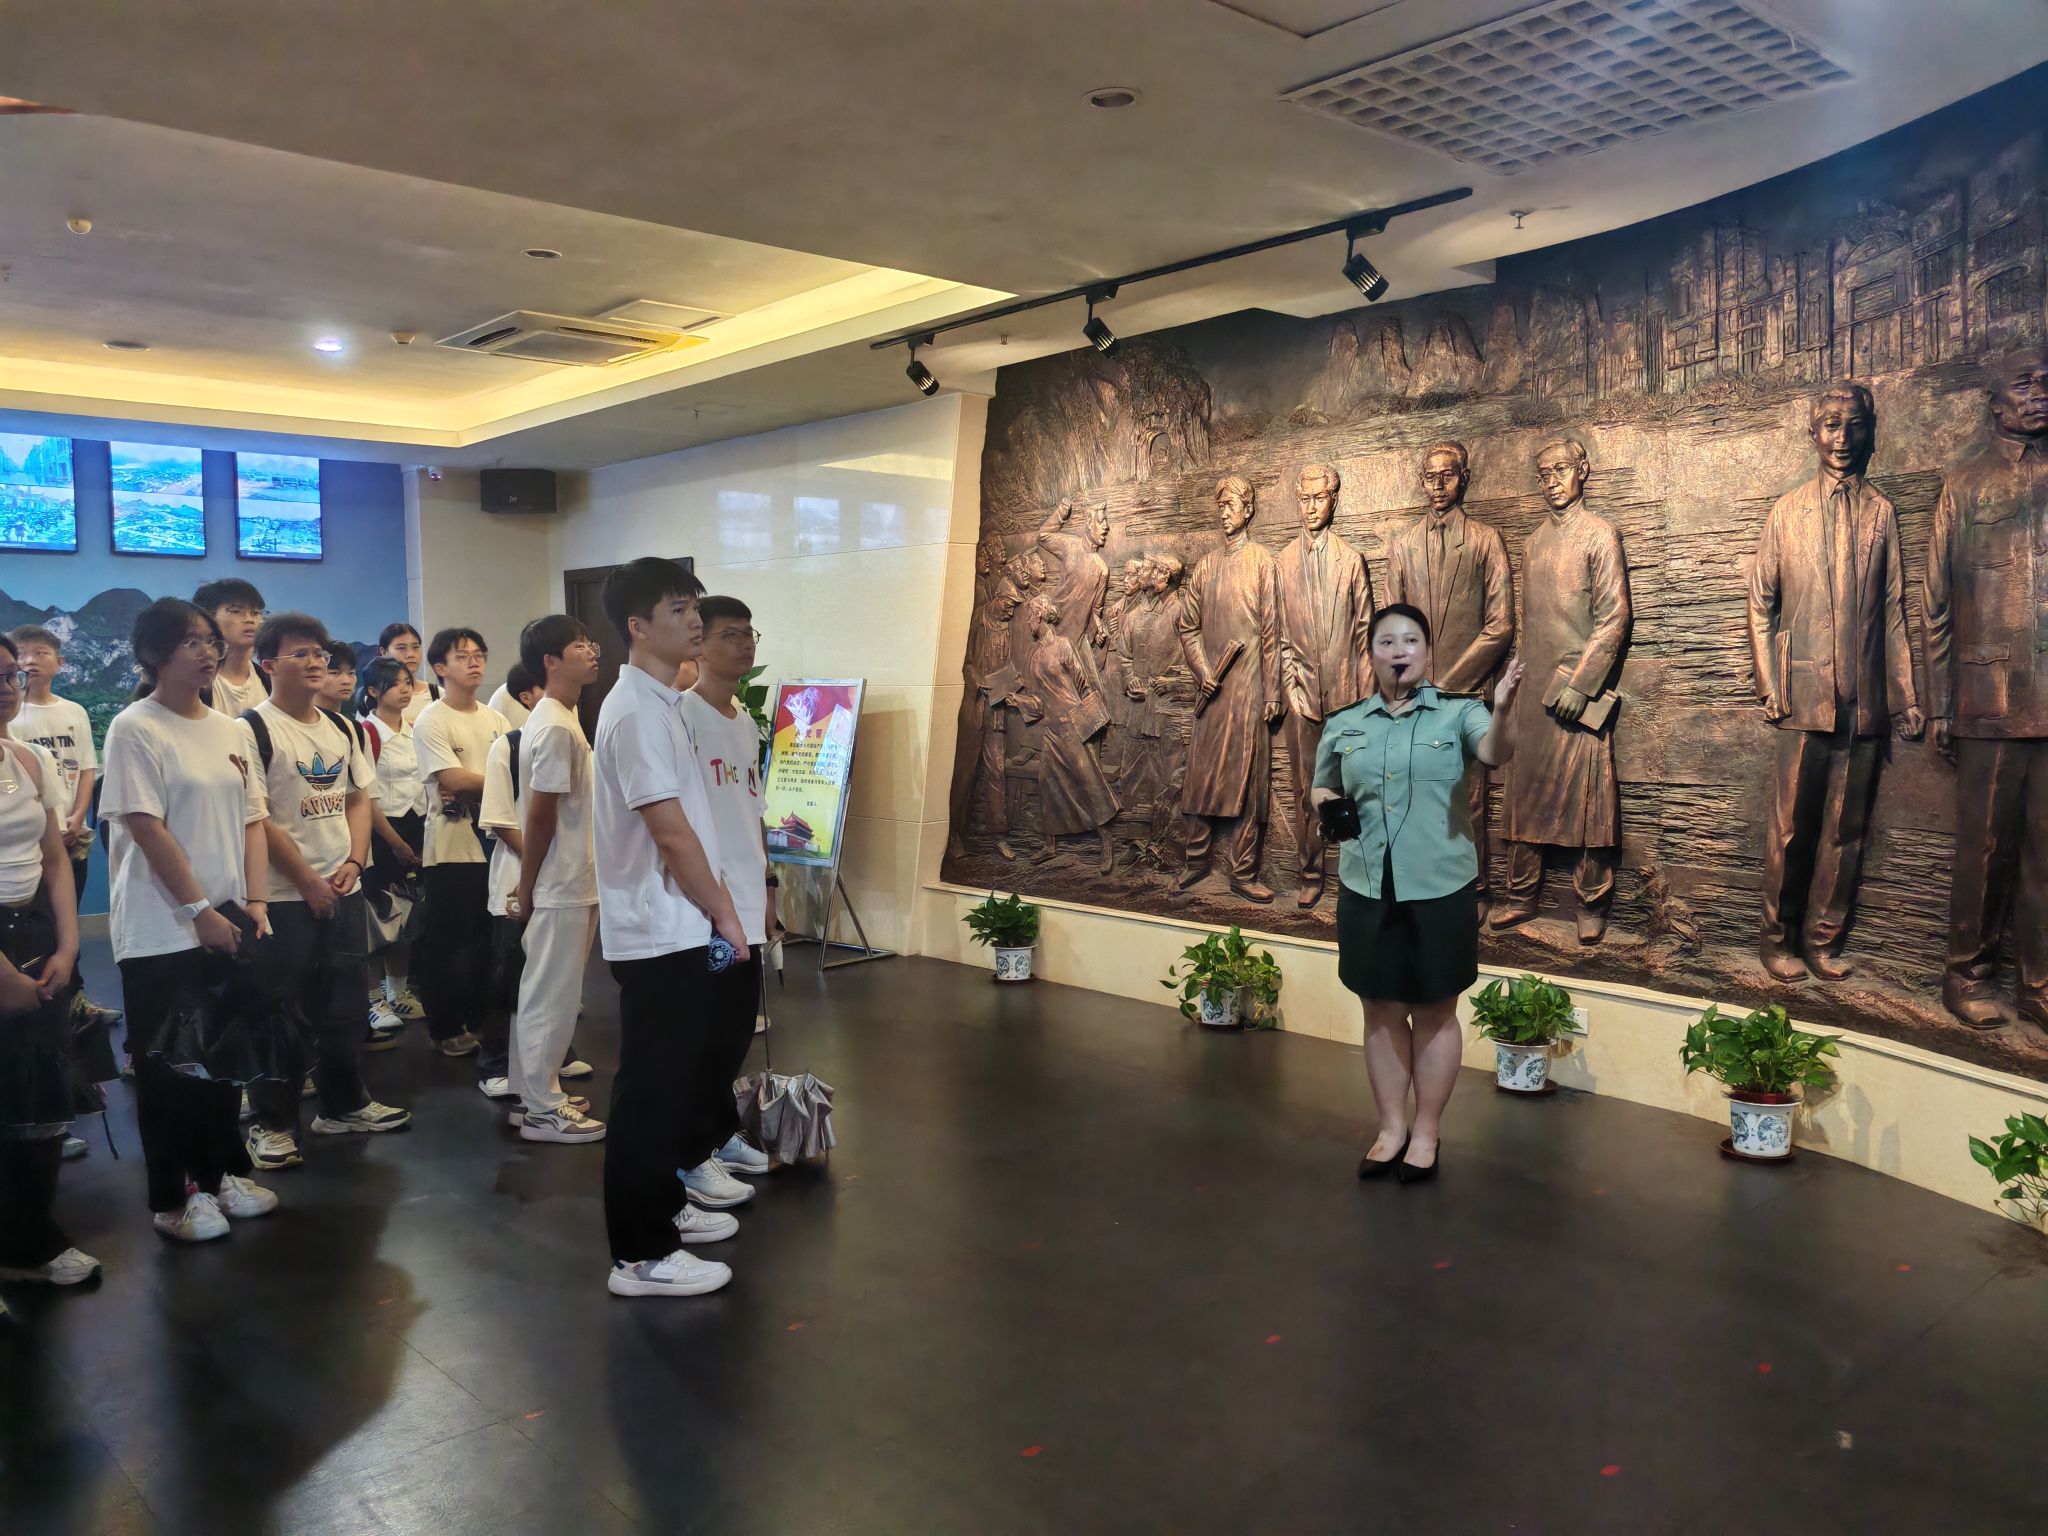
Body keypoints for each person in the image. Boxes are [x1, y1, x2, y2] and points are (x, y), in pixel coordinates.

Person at [1310, 605, 1523, 1184]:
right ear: (1371, 654)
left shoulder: (1461, 712)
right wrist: (1327, 806)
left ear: (1427, 652)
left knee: (1434, 1009)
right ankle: (1390, 1129)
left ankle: (1426, 1131)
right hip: (1366, 884)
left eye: (1410, 641)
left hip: (1439, 887)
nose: (1398, 650)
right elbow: (1321, 784)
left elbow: (1496, 753)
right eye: (1386, 642)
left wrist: (1503, 709)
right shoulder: (1345, 722)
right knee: (1379, 1010)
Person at [592, 558, 753, 1297]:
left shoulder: (662, 702)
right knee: (651, 1091)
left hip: (680, 925)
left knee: (677, 1078)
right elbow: (670, 830)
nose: (695, 621)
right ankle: (641, 1255)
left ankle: (666, 1208)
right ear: (638, 626)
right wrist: (725, 912)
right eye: (680, 609)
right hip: (659, 929)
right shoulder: (634, 710)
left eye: (695, 607)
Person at [98, 598, 279, 1242]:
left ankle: (221, 1172)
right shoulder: (134, 727)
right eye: (191, 642)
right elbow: (146, 827)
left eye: (211, 641)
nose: (208, 652)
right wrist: (197, 910)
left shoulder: (231, 729)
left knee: (221, 1058)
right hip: (161, 926)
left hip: (229, 919)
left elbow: (254, 819)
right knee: (167, 1068)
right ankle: (174, 1199)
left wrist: (255, 902)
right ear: (153, 655)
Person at [1747, 383, 1921, 983]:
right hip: (1802, 696)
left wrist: (1904, 696)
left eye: (1853, 425)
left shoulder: (1881, 512)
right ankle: (1776, 940)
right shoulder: (1787, 510)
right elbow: (1760, 603)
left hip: (1863, 699)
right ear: (1812, 433)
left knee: (1846, 832)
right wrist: (1770, 683)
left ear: (1868, 432)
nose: (1842, 438)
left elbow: (1894, 610)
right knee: (1791, 829)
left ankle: (1823, 941)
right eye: (1829, 425)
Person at [238, 614, 407, 1172]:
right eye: (300, 654)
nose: (315, 663)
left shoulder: (343, 728)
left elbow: (357, 797)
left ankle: (343, 1105)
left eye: (320, 654)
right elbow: (257, 817)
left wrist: (355, 860)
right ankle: (272, 1125)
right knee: (278, 1013)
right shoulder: (251, 729)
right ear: (268, 664)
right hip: (282, 896)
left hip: (343, 888)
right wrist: (307, 881)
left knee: (346, 1008)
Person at [1925, 342, 2048, 1033]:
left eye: (2046, 383)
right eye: (2023, 384)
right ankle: (1964, 976)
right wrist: (1940, 702)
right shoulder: (1966, 482)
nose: (2039, 394)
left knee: (2045, 855)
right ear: (1994, 402)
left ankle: (2038, 987)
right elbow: (1935, 603)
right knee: (1984, 850)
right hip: (1988, 700)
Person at [1492, 438, 1632, 945]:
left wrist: (1582, 683)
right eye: (1543, 473)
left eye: (1561, 469)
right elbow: (1528, 622)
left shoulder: (1600, 534)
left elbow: (1614, 616)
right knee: (1525, 793)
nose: (1551, 481)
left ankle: (1592, 902)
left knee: (1589, 800)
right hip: (1535, 691)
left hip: (1579, 693)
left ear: (1583, 471)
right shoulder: (1533, 543)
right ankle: (1520, 894)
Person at [0, 632, 95, 1289]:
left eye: (10, 676)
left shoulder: (28, 759)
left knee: (37, 1093)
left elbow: (55, 857)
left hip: (35, 930)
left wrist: (67, 944)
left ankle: (29, 1242)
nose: (7, 688)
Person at [1387, 441, 1515, 899]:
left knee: (1468, 801)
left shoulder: (1485, 540)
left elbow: (1500, 625)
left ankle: (1471, 891)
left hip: (1465, 699)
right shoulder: (1403, 546)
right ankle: (1418, 885)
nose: (1438, 485)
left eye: (1448, 475)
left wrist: (1445, 686)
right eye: (1430, 476)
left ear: (1465, 478)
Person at [681, 597, 778, 1175]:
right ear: (699, 643)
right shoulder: (683, 716)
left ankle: (719, 1130)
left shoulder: (744, 721)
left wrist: (767, 887)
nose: (745, 644)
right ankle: (694, 1146)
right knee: (705, 1026)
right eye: (730, 634)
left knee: (738, 1024)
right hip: (707, 905)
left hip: (746, 896)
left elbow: (754, 812)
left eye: (750, 633)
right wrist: (716, 900)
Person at [503, 616, 606, 1143]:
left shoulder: (562, 716)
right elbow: (539, 815)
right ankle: (543, 1109)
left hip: (570, 877)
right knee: (553, 996)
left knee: (545, 990)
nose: (592, 651)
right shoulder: (555, 725)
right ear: (550, 661)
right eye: (578, 645)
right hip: (561, 881)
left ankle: (530, 1095)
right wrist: (527, 887)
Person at [8, 625, 122, 1046]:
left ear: (60, 662)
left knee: (66, 920)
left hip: (70, 841)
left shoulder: (71, 714)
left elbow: (87, 768)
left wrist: (77, 817)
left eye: (41, 652)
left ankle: (74, 1002)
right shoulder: (14, 719)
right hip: (29, 849)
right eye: (22, 654)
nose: (30, 660)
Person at [1177, 475, 1282, 902]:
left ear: (1248, 509)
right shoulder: (1206, 566)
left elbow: (1273, 632)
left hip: (1249, 687)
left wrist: (1272, 692)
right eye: (1219, 506)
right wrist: (1201, 669)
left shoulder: (1262, 561)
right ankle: (1195, 862)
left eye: (1231, 505)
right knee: (1203, 775)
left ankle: (1243, 871)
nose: (1224, 513)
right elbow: (1187, 626)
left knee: (1248, 780)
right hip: (1214, 689)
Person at [1275, 463, 1374, 909]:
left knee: (1353, 786)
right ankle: (1310, 871)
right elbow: (1277, 635)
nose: (1312, 507)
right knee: (1307, 789)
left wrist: (1366, 701)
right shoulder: (1281, 563)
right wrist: (1291, 690)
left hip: (1348, 695)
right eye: (1305, 498)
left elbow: (1365, 633)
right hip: (1302, 696)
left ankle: (1357, 874)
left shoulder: (1350, 560)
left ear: (1333, 500)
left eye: (1319, 498)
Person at [412, 627, 508, 1058]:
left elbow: (511, 775)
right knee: (450, 942)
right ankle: (445, 1026)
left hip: (496, 842)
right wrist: (492, 784)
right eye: (463, 656)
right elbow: (452, 780)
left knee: (488, 940)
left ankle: (481, 1019)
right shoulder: (432, 719)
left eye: (479, 654)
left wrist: (478, 786)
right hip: (451, 847)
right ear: (439, 668)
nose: (475, 662)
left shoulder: (495, 719)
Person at [1010, 594, 1118, 874]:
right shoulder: (1035, 657)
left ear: (1041, 615)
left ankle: (1107, 842)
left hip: (1072, 725)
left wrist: (1090, 724)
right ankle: (1050, 844)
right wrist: (1019, 701)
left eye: (1030, 616)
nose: (1028, 621)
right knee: (1048, 783)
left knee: (1089, 782)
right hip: (1052, 729)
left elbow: (1083, 685)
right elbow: (1039, 701)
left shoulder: (1063, 646)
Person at [355, 658, 426, 1029]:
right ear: (373, 691)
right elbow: (366, 797)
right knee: (376, 916)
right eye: (395, 683)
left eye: (407, 682)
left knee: (406, 914)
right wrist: (395, 841)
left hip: (415, 828)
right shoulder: (366, 732)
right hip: (380, 833)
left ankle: (399, 992)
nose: (404, 689)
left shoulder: (414, 730)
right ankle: (373, 999)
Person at [193, 578, 270, 717]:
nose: (249, 619)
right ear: (208, 618)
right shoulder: (195, 682)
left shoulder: (268, 679)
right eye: (235, 611)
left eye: (255, 613)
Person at [378, 623, 438, 725]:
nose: (411, 654)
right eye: (401, 648)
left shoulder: (437, 694)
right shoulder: (373, 697)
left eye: (415, 647)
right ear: (383, 652)